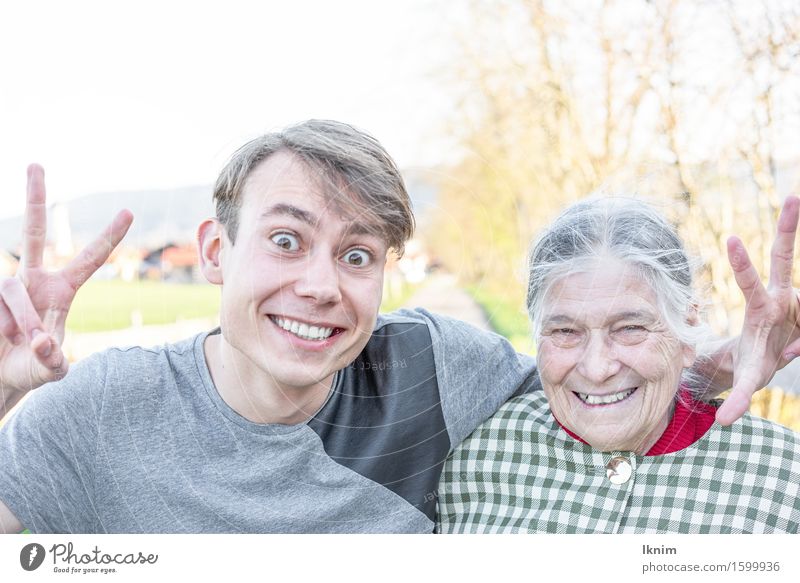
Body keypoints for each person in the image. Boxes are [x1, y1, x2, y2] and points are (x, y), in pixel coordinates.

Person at [0, 121, 796, 534]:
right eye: (287, 240)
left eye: (355, 253)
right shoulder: (104, 407)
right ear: (216, 250)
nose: (319, 285)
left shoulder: (434, 365)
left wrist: (718, 358)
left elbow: (597, 381)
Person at [437, 197, 800, 533]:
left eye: (629, 328)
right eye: (565, 331)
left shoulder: (784, 477)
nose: (597, 369)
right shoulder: (476, 455)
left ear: (687, 330)